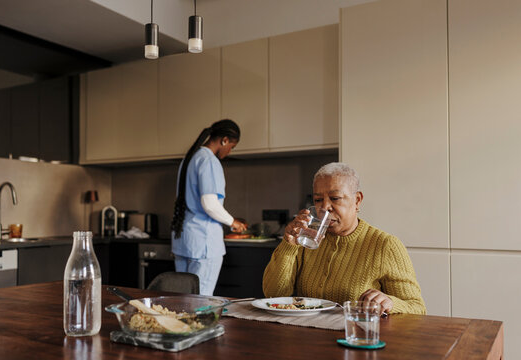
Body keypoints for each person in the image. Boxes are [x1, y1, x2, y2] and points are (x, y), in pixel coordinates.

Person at [263, 162, 426, 315]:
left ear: (357, 200)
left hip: (354, 337)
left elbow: (417, 308)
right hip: (306, 337)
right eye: (318, 200)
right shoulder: (305, 239)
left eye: (335, 198)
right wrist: (289, 246)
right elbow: (273, 294)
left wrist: (390, 302)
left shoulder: (385, 245)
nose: (325, 207)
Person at [171, 119, 247, 296]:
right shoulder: (208, 161)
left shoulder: (189, 159)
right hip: (203, 243)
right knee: (200, 300)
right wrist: (233, 222)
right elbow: (210, 204)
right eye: (232, 146)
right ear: (224, 140)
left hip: (184, 240)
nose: (229, 152)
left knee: (183, 299)